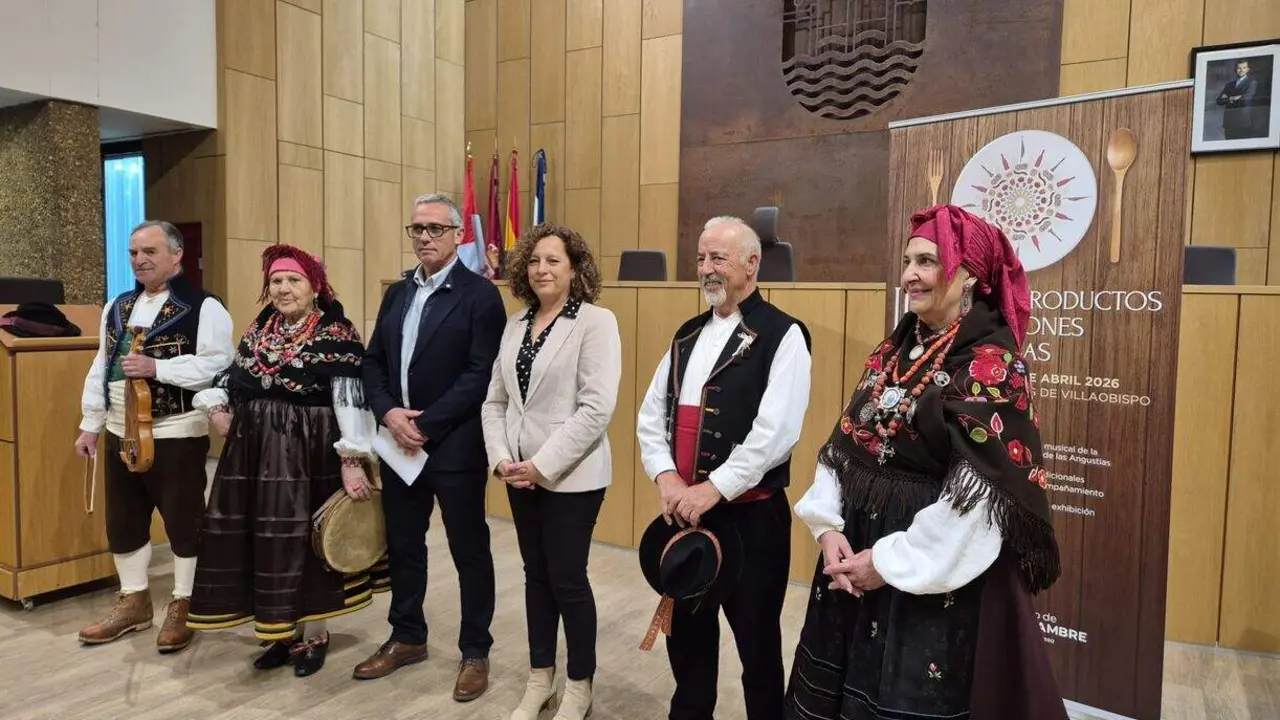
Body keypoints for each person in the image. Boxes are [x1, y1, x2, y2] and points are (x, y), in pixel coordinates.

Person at [784, 204, 1066, 720]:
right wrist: (827, 529)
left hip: (927, 581)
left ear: (970, 276)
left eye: (928, 262)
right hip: (853, 563)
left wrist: (889, 563)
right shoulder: (894, 350)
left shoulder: (993, 367)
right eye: (908, 259)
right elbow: (843, 446)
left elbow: (978, 503)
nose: (910, 274)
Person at [636, 215, 812, 720]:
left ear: (752, 264)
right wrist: (665, 476)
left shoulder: (785, 335)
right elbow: (653, 414)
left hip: (753, 523)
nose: (706, 269)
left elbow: (775, 435)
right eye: (700, 258)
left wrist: (714, 489)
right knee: (688, 645)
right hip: (686, 517)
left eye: (718, 258)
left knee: (757, 648)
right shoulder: (686, 334)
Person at [185, 244, 383, 677]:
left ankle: (314, 633)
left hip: (310, 449)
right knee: (264, 538)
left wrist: (352, 458)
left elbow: (350, 398)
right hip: (256, 450)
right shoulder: (261, 328)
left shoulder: (336, 331)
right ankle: (279, 631)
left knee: (304, 541)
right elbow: (235, 378)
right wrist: (218, 405)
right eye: (276, 281)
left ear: (315, 287)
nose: (283, 288)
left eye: (294, 280)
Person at [356, 193, 506, 701]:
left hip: (454, 446)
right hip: (399, 444)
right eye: (416, 228)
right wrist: (389, 414)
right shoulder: (398, 292)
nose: (424, 237)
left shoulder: (480, 296)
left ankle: (475, 650)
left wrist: (427, 423)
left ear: (458, 234)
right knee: (404, 544)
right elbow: (373, 361)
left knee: (469, 549)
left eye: (435, 229)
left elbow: (480, 373)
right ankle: (407, 636)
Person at [74, 220, 235, 654]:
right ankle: (134, 601)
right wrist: (91, 423)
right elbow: (101, 366)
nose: (139, 260)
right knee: (123, 518)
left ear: (176, 255)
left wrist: (158, 369)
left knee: (183, 519)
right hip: (118, 430)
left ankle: (185, 602)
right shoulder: (118, 306)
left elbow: (219, 365)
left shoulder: (205, 307)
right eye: (133, 253)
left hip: (175, 430)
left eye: (149, 252)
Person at [481, 223, 621, 720]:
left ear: (574, 268)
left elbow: (596, 408)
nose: (542, 269)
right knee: (535, 577)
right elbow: (495, 401)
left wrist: (541, 466)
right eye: (535, 260)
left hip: (570, 476)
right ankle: (540, 677)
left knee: (567, 579)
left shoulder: (596, 322)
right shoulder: (515, 324)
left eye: (554, 260)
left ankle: (579, 685)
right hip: (518, 473)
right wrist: (501, 458)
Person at [1215, 59, 1260, 140]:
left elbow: (1246, 98)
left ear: (1248, 69)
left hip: (1243, 121)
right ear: (1235, 69)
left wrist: (1228, 98)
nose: (1241, 70)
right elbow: (1219, 101)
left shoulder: (1252, 83)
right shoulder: (1229, 85)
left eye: (1244, 67)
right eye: (1239, 68)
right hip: (1229, 122)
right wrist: (1233, 98)